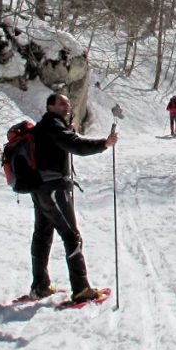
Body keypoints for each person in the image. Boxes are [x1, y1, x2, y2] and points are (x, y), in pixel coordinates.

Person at [29, 92, 117, 303]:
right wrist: (104, 144)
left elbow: (64, 141)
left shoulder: (47, 126)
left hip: (40, 188)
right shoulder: (53, 125)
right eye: (61, 103)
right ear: (50, 107)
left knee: (42, 235)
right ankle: (81, 289)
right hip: (54, 189)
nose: (66, 106)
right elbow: (74, 145)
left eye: (68, 103)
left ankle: (40, 286)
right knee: (71, 236)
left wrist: (69, 129)